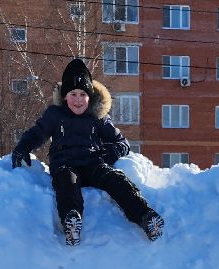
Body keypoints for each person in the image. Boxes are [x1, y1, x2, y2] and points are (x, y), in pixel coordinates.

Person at [10, 58, 166, 247]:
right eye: (73, 94)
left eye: (83, 94)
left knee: (116, 180)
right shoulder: (55, 115)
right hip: (65, 165)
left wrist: (113, 152)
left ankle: (146, 216)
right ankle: (71, 221)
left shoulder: (97, 117)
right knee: (67, 183)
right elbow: (38, 132)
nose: (78, 99)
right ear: (65, 96)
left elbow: (122, 142)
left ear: (90, 97)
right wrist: (23, 147)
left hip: (93, 164)